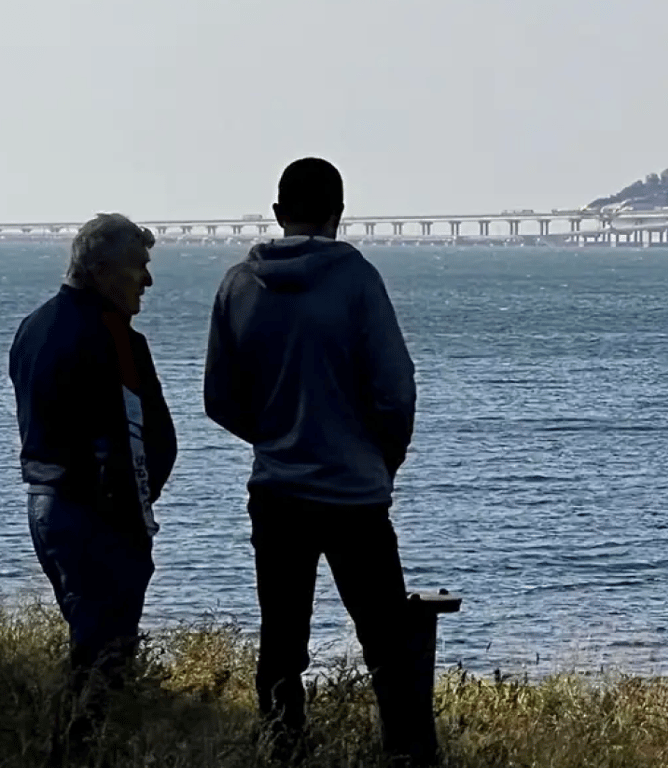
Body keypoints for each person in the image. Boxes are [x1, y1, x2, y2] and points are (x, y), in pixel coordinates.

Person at [202, 157, 435, 765]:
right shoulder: (358, 280)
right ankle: (408, 755)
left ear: (278, 214)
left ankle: (283, 751)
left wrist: (275, 435)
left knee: (281, 643)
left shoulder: (237, 284)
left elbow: (219, 399)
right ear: (340, 213)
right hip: (356, 493)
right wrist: (385, 458)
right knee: (387, 642)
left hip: (277, 490)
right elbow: (396, 389)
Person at [8, 213, 177, 764]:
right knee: (106, 657)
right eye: (139, 268)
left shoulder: (31, 328)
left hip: (44, 504)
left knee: (89, 644)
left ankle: (67, 746)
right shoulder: (114, 336)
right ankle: (76, 752)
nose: (146, 283)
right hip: (98, 512)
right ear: (103, 271)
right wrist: (138, 529)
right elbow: (133, 439)